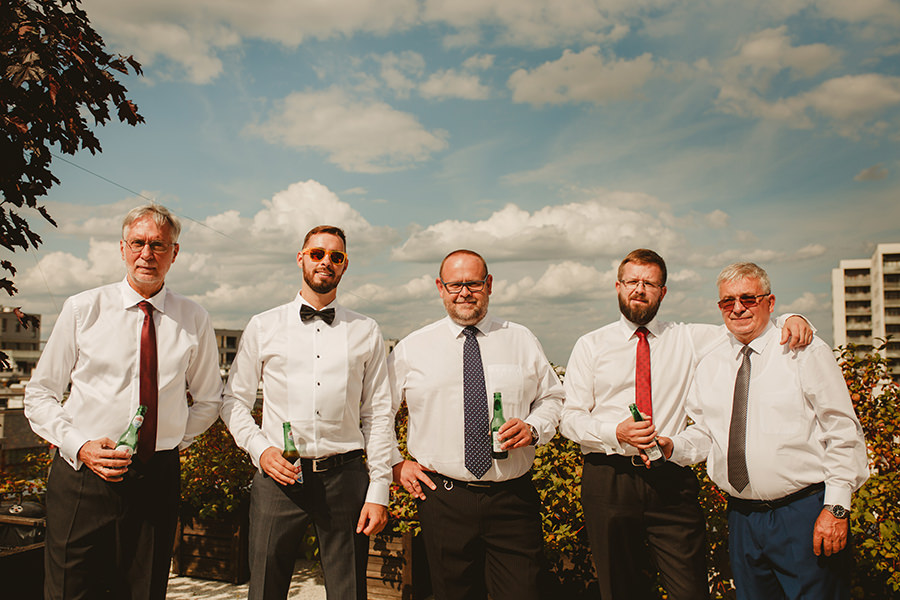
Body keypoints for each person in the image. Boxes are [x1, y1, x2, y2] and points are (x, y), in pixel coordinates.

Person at [559, 249, 814, 600]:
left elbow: (745, 321)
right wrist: (614, 433)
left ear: (662, 292)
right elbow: (570, 418)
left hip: (670, 477)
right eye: (632, 281)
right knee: (620, 590)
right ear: (618, 287)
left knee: (690, 588)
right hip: (609, 477)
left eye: (649, 283)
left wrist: (792, 318)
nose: (639, 289)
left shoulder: (689, 338)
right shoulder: (590, 345)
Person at [24, 204, 223, 600]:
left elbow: (209, 399)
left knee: (144, 591)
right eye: (138, 243)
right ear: (122, 248)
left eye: (158, 245)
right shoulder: (82, 309)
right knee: (69, 591)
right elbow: (39, 394)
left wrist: (168, 440)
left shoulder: (194, 318)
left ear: (174, 253)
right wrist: (80, 446)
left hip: (156, 479)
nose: (147, 254)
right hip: (83, 477)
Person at [656, 262, 868, 600]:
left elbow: (842, 430)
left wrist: (836, 508)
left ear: (770, 302)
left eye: (748, 299)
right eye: (728, 301)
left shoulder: (804, 351)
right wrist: (672, 447)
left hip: (804, 513)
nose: (738, 308)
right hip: (742, 518)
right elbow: (708, 434)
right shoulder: (711, 363)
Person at [220, 225, 394, 600]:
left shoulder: (367, 330)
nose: (325, 261)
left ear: (345, 265)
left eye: (336, 256)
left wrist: (379, 489)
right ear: (301, 258)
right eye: (317, 253)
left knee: (349, 592)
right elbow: (233, 401)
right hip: (278, 478)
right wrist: (260, 451)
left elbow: (379, 413)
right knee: (265, 589)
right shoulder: (263, 325)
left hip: (345, 478)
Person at [389, 249, 563, 600]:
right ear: (440, 287)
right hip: (443, 500)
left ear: (490, 285)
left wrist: (533, 428)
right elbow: (378, 413)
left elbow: (553, 399)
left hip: (513, 499)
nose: (465, 292)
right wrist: (394, 463)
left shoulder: (521, 339)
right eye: (455, 284)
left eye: (474, 283)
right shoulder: (412, 348)